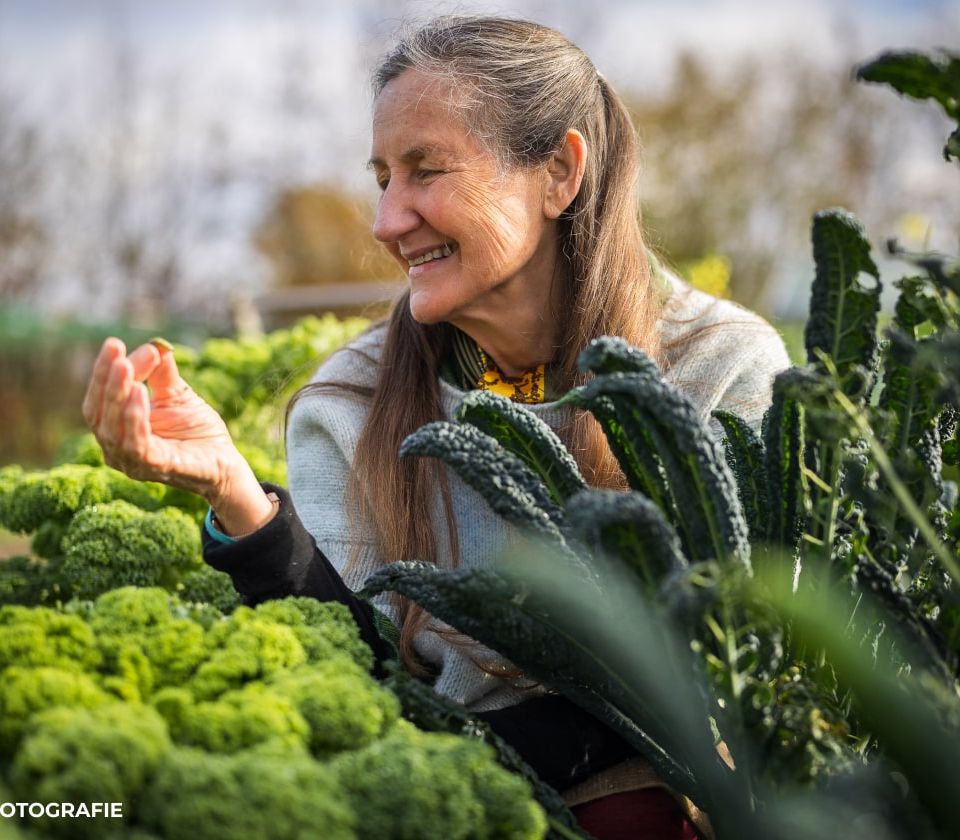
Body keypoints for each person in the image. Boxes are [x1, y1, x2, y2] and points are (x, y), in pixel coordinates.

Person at [83, 16, 790, 840]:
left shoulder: (721, 371)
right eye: (382, 177)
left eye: (426, 171)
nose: (386, 221)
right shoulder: (346, 405)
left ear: (559, 172)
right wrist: (237, 497)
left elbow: (730, 679)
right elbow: (363, 678)